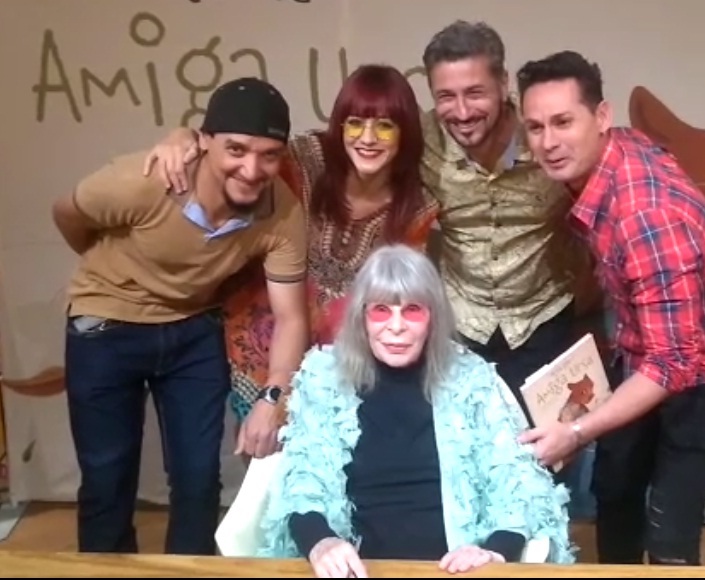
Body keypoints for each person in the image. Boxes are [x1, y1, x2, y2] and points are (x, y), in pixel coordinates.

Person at [515, 50, 705, 566]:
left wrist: (575, 432)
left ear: (601, 116)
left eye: (563, 122)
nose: (548, 142)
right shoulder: (618, 149)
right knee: (616, 490)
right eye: (535, 127)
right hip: (647, 347)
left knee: (669, 530)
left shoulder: (645, 218)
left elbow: (673, 364)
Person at [51, 76, 309, 555]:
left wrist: (274, 395)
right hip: (105, 326)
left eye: (269, 155)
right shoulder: (143, 181)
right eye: (236, 149)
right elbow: (67, 213)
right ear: (204, 141)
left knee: (198, 481)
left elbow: (291, 316)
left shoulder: (283, 212)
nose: (252, 169)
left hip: (193, 330)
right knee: (107, 480)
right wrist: (112, 273)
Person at [143, 65, 439, 447]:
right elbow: (234, 151)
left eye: (384, 126)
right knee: (263, 461)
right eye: (355, 123)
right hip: (262, 345)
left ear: (405, 132)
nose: (367, 138)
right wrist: (182, 137)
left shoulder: (417, 206)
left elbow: (396, 297)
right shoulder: (302, 159)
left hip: (344, 364)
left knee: (334, 470)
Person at [254, 244, 575, 577]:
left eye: (412, 310)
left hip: (454, 571)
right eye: (381, 310)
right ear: (361, 317)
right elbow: (304, 479)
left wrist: (493, 551)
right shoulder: (324, 376)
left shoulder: (470, 377)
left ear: (433, 317)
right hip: (355, 571)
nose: (396, 326)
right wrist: (322, 542)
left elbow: (517, 482)